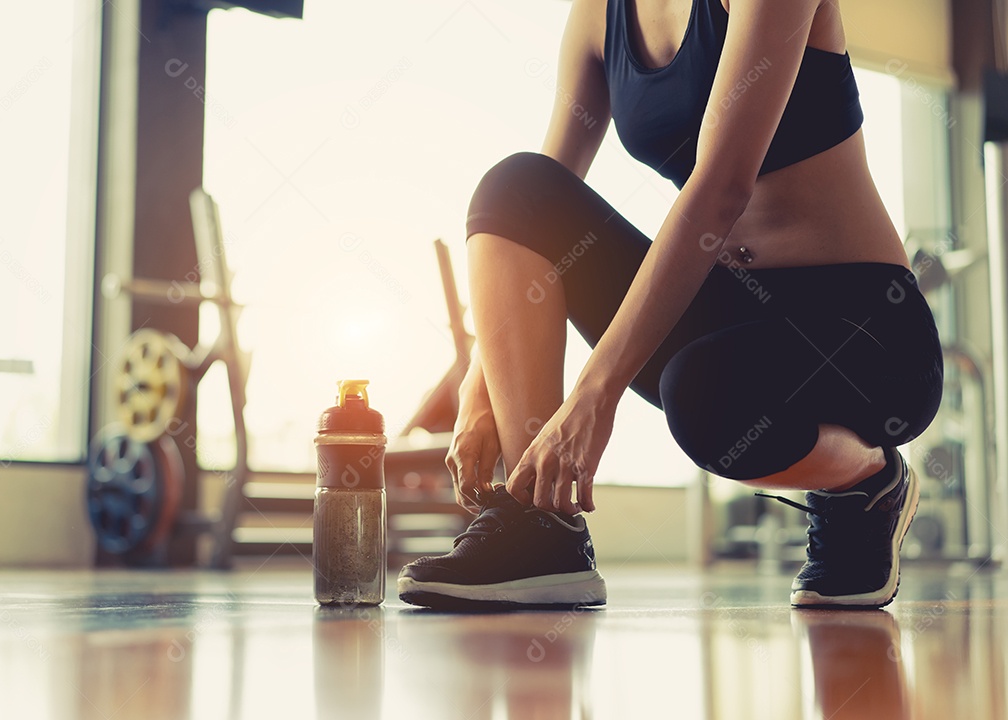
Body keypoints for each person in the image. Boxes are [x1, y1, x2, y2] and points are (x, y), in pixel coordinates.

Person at [398, 0, 943, 610]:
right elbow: (537, 208)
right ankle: (543, 524)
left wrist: (593, 393)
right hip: (726, 319)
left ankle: (868, 483)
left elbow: (721, 187)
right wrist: (481, 387)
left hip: (860, 327)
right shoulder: (598, 17)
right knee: (514, 187)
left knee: (703, 398)